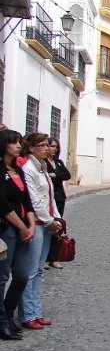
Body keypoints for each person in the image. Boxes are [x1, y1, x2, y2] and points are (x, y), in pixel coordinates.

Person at [20, 133, 62, 329]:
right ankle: (27, 314)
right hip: (37, 224)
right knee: (30, 271)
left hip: (46, 225)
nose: (47, 148)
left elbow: (50, 196)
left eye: (47, 145)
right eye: (43, 145)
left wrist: (57, 218)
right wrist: (48, 220)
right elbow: (34, 200)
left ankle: (36, 311)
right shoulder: (28, 169)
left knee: (37, 271)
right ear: (31, 148)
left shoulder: (42, 167)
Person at [0, 130, 35, 340]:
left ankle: (7, 313)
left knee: (22, 275)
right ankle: (3, 322)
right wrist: (21, 227)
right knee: (2, 277)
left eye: (19, 142)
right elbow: (2, 204)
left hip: (24, 227)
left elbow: (27, 199)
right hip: (7, 229)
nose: (18, 145)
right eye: (14, 142)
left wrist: (30, 224)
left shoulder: (18, 169)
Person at [44, 137, 71, 270]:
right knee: (48, 226)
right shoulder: (43, 162)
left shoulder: (58, 162)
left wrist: (55, 175)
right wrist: (56, 174)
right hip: (48, 198)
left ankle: (53, 257)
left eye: (56, 146)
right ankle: (44, 258)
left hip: (59, 197)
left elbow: (67, 175)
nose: (54, 149)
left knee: (58, 226)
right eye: (51, 146)